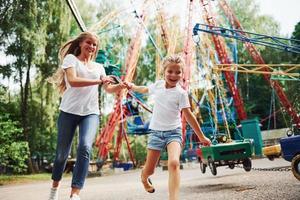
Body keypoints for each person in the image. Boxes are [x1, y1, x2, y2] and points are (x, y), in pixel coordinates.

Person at [47, 31, 126, 200]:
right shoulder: (71, 60)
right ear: (81, 44)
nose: (91, 46)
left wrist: (121, 86)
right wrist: (99, 81)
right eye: (88, 43)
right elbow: (73, 81)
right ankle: (54, 189)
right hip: (68, 111)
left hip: (90, 113)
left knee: (85, 147)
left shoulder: (99, 68)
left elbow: (108, 89)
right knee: (61, 155)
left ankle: (75, 193)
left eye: (94, 44)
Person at [124, 54, 211, 200]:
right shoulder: (158, 85)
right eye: (170, 71)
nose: (174, 75)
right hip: (156, 132)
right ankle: (144, 177)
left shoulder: (181, 94)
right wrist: (132, 87)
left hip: (174, 133)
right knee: (149, 170)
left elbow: (188, 115)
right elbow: (145, 89)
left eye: (178, 72)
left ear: (182, 74)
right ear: (164, 71)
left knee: (174, 163)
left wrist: (201, 136)